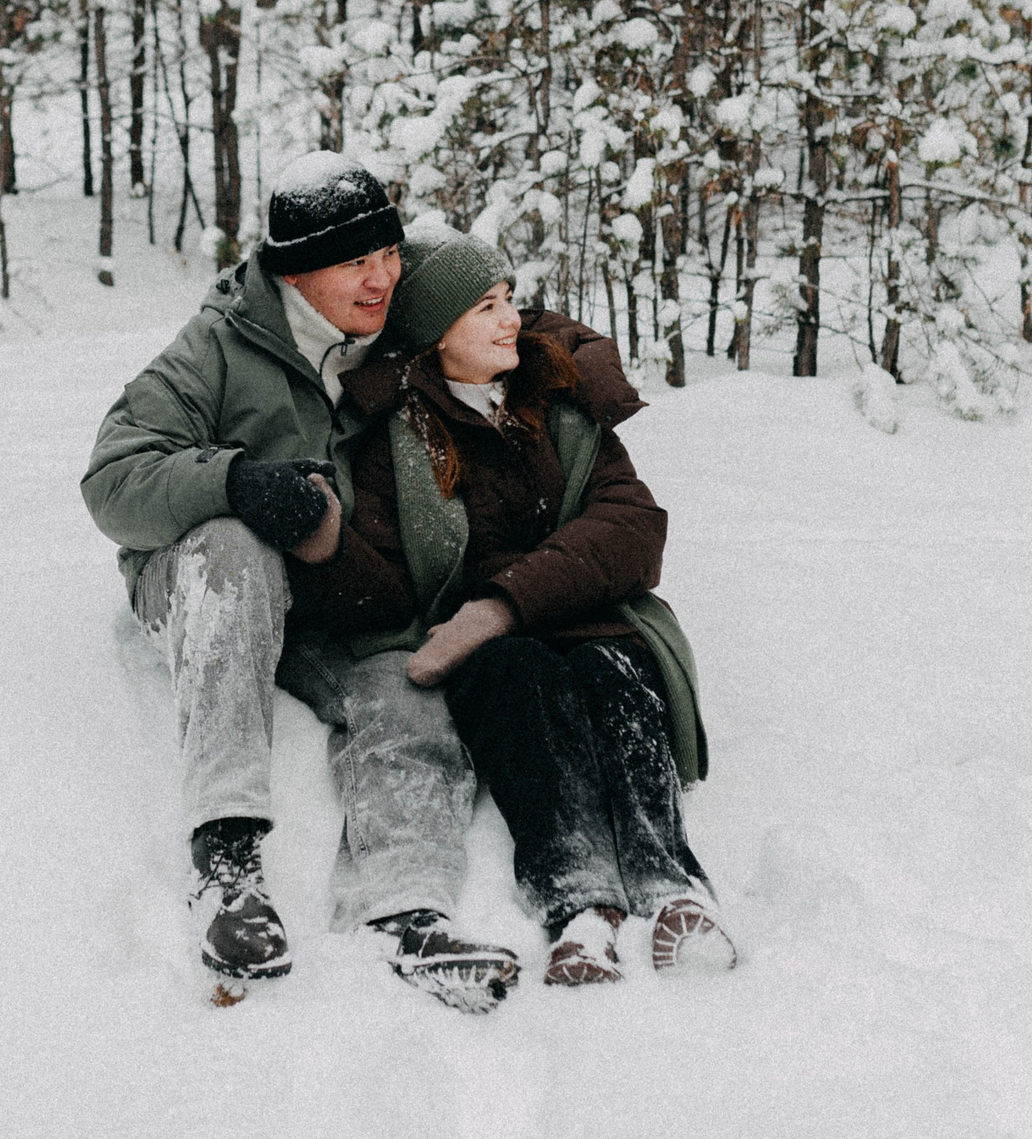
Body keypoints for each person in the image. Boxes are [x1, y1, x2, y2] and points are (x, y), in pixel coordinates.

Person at [81, 153, 522, 1011]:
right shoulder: (220, 344)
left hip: (335, 598)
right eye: (355, 260)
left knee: (406, 679)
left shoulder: (390, 332)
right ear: (295, 269)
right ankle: (227, 863)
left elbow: (500, 331)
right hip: (208, 584)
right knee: (232, 545)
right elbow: (111, 479)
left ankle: (407, 910)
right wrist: (235, 481)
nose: (382, 276)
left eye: (389, 253)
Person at [304, 224, 735, 986]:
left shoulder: (561, 403)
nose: (513, 320)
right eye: (485, 308)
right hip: (497, 651)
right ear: (437, 336)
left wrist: (503, 600)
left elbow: (631, 525)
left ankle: (671, 884)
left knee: (611, 673)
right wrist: (324, 539)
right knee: (520, 680)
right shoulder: (394, 441)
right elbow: (386, 588)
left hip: (595, 618)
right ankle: (578, 907)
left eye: (509, 300)